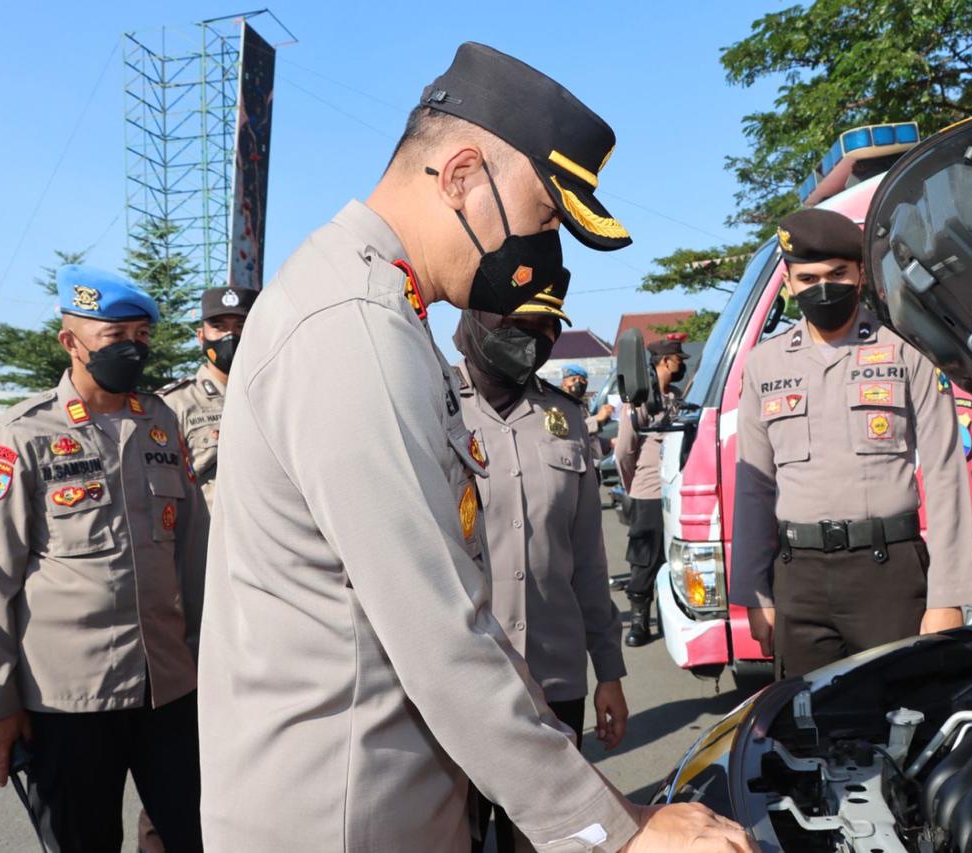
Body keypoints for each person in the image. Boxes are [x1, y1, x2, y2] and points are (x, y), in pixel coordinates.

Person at [196, 42, 750, 852]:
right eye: (544, 216)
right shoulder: (352, 329)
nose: (540, 253)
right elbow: (441, 636)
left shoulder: (375, 307)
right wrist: (617, 831)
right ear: (461, 176)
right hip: (342, 817)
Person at [0, 264, 208, 853]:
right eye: (115, 337)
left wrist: (213, 665)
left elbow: (193, 556)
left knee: (199, 834)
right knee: (82, 842)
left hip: (169, 690)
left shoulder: (161, 422)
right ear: (71, 342)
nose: (133, 348)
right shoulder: (22, 433)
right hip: (69, 699)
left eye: (142, 337)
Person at [728, 208, 972, 679]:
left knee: (904, 724)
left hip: (887, 573)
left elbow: (946, 475)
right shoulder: (764, 365)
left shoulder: (909, 351)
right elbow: (753, 487)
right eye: (808, 277)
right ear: (788, 284)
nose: (823, 287)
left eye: (837, 273)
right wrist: (754, 593)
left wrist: (949, 597)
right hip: (798, 579)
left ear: (860, 275)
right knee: (804, 732)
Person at [454, 278, 629, 852]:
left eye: (546, 325)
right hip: (461, 683)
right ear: (480, 321)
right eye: (518, 324)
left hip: (554, 679)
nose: (535, 338)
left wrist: (609, 671)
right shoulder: (431, 408)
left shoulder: (565, 417)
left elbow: (588, 559)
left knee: (551, 843)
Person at [615, 337, 689, 646]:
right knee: (644, 559)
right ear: (665, 361)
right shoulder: (639, 399)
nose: (681, 363)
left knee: (677, 559)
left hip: (676, 489)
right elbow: (623, 451)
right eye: (677, 359)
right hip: (648, 491)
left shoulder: (676, 396)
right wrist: (635, 486)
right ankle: (639, 622)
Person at [160, 286, 259, 507]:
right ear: (201, 336)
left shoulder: (272, 396)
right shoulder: (175, 403)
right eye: (218, 327)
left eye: (241, 326)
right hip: (208, 536)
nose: (230, 336)